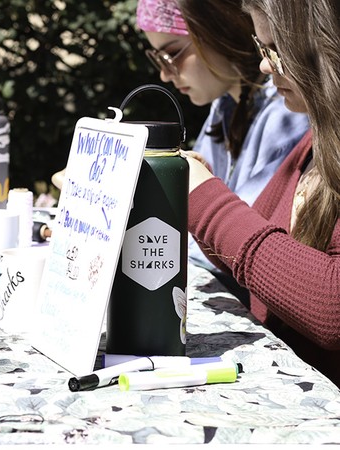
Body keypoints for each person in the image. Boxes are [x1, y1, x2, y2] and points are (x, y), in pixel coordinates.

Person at [183, 0, 340, 386]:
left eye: (277, 49)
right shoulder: (311, 144)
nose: (265, 65)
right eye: (261, 48)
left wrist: (207, 203)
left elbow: (330, 309)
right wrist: (192, 190)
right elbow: (259, 262)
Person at [136, 0, 309, 304]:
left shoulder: (289, 110)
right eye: (157, 58)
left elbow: (246, 233)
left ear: (217, 29)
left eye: (172, 53)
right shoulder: (226, 106)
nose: (165, 74)